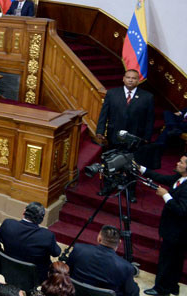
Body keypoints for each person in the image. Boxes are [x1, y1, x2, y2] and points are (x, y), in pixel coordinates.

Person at [137, 155, 187, 296]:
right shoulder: (179, 178)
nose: (177, 163)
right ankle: (172, 286)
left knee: (168, 261)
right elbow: (161, 178)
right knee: (175, 261)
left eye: (181, 162)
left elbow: (182, 210)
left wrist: (165, 196)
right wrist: (141, 168)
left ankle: (161, 289)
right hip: (175, 230)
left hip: (177, 232)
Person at [96, 69, 155, 173]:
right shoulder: (112, 93)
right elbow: (104, 114)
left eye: (134, 78)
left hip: (135, 137)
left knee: (132, 164)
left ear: (138, 80)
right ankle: (108, 186)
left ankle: (130, 187)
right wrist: (100, 130)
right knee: (110, 162)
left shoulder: (147, 97)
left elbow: (150, 119)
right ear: (123, 79)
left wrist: (147, 137)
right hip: (114, 135)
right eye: (128, 77)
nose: (130, 80)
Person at [67, 225, 138, 296]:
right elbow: (132, 293)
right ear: (119, 242)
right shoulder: (126, 267)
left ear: (99, 238)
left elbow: (67, 272)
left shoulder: (79, 249)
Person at [0, 201, 61, 280]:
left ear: (24, 212)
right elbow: (56, 253)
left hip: (7, 268)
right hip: (33, 277)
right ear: (41, 219)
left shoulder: (8, 224)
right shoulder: (46, 236)